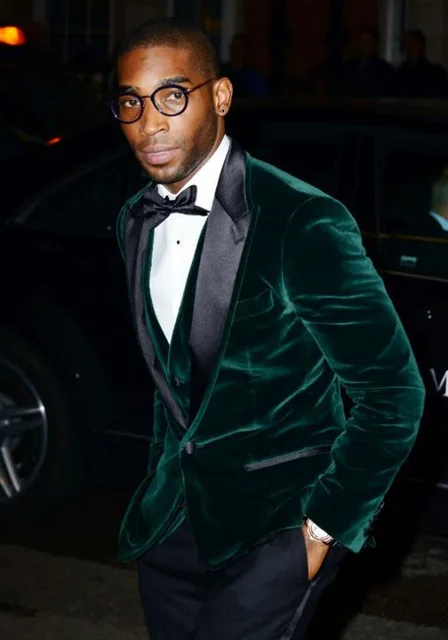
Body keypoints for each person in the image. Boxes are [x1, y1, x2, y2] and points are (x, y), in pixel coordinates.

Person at [111, 17, 425, 639]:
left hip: (276, 530)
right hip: (172, 529)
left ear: (221, 96)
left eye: (172, 96)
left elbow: (394, 394)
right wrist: (159, 489)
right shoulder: (134, 221)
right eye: (131, 102)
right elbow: (175, 385)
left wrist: (319, 533)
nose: (149, 123)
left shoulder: (301, 220)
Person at [343, 25, 395, 97]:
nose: (365, 44)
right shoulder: (347, 67)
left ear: (375, 44)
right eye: (362, 40)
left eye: (368, 40)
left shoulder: (384, 68)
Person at [396, 30, 447, 98]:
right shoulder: (400, 73)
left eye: (412, 44)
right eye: (406, 44)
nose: (408, 48)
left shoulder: (435, 73)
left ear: (421, 46)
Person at [220, 32, 269, 97]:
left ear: (245, 50)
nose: (235, 49)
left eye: (239, 47)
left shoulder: (252, 76)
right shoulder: (222, 71)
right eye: (234, 46)